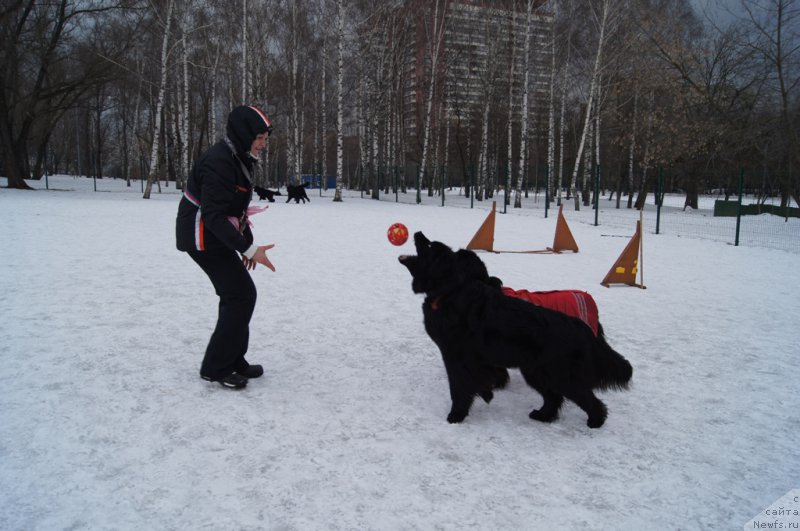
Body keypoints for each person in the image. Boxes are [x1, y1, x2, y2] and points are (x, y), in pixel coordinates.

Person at [176, 105, 276, 389]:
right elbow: (213, 216)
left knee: (240, 294)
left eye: (265, 138)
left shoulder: (237, 156)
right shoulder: (219, 161)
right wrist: (247, 249)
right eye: (259, 137)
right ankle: (216, 368)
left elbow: (232, 208)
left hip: (215, 235)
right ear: (244, 135)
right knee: (240, 294)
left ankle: (232, 359)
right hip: (202, 237)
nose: (263, 144)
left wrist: (244, 244)